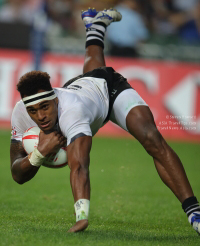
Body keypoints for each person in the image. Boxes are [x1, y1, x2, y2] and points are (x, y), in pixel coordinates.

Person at [10, 8, 200, 234]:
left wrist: (82, 216)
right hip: (85, 86)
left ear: (55, 100)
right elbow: (17, 174)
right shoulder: (20, 112)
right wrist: (38, 154)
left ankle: (194, 212)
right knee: (92, 72)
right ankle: (96, 29)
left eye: (45, 107)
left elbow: (79, 165)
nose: (40, 116)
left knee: (151, 138)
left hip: (111, 91)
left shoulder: (72, 111)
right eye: (33, 110)